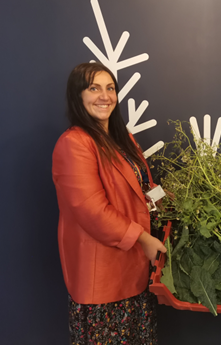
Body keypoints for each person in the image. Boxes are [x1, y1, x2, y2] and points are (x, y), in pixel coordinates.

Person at [52, 62, 167, 344]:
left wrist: (171, 201)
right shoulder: (74, 143)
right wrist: (143, 238)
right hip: (103, 280)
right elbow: (91, 211)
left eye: (110, 88)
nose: (105, 96)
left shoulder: (121, 138)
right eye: (94, 88)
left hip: (135, 272)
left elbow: (143, 187)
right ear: (77, 95)